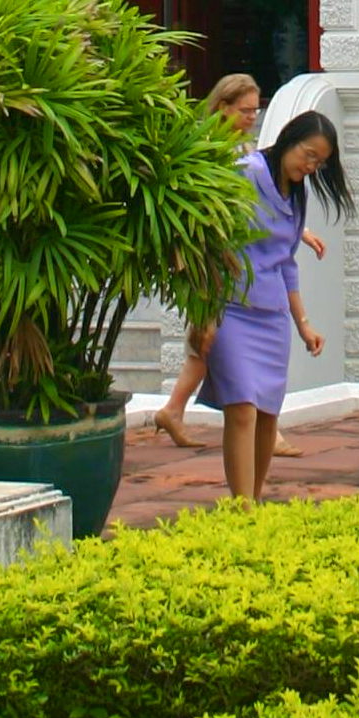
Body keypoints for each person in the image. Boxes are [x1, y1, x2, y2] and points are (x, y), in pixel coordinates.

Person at [152, 73, 323, 450]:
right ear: (222, 107)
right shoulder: (210, 152)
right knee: (207, 350)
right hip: (219, 274)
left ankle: (175, 411)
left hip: (245, 280)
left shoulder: (248, 156)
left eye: (255, 110)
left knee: (206, 354)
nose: (251, 117)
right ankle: (180, 413)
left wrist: (299, 232)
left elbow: (266, 216)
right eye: (244, 110)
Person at [200, 107, 353, 504]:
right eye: (308, 154)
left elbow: (285, 261)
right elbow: (212, 236)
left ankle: (254, 498)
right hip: (230, 308)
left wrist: (304, 324)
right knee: (242, 408)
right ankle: (242, 505)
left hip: (272, 318)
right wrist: (204, 312)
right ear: (288, 140)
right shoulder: (246, 172)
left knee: (268, 413)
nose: (311, 166)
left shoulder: (296, 192)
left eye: (319, 162)